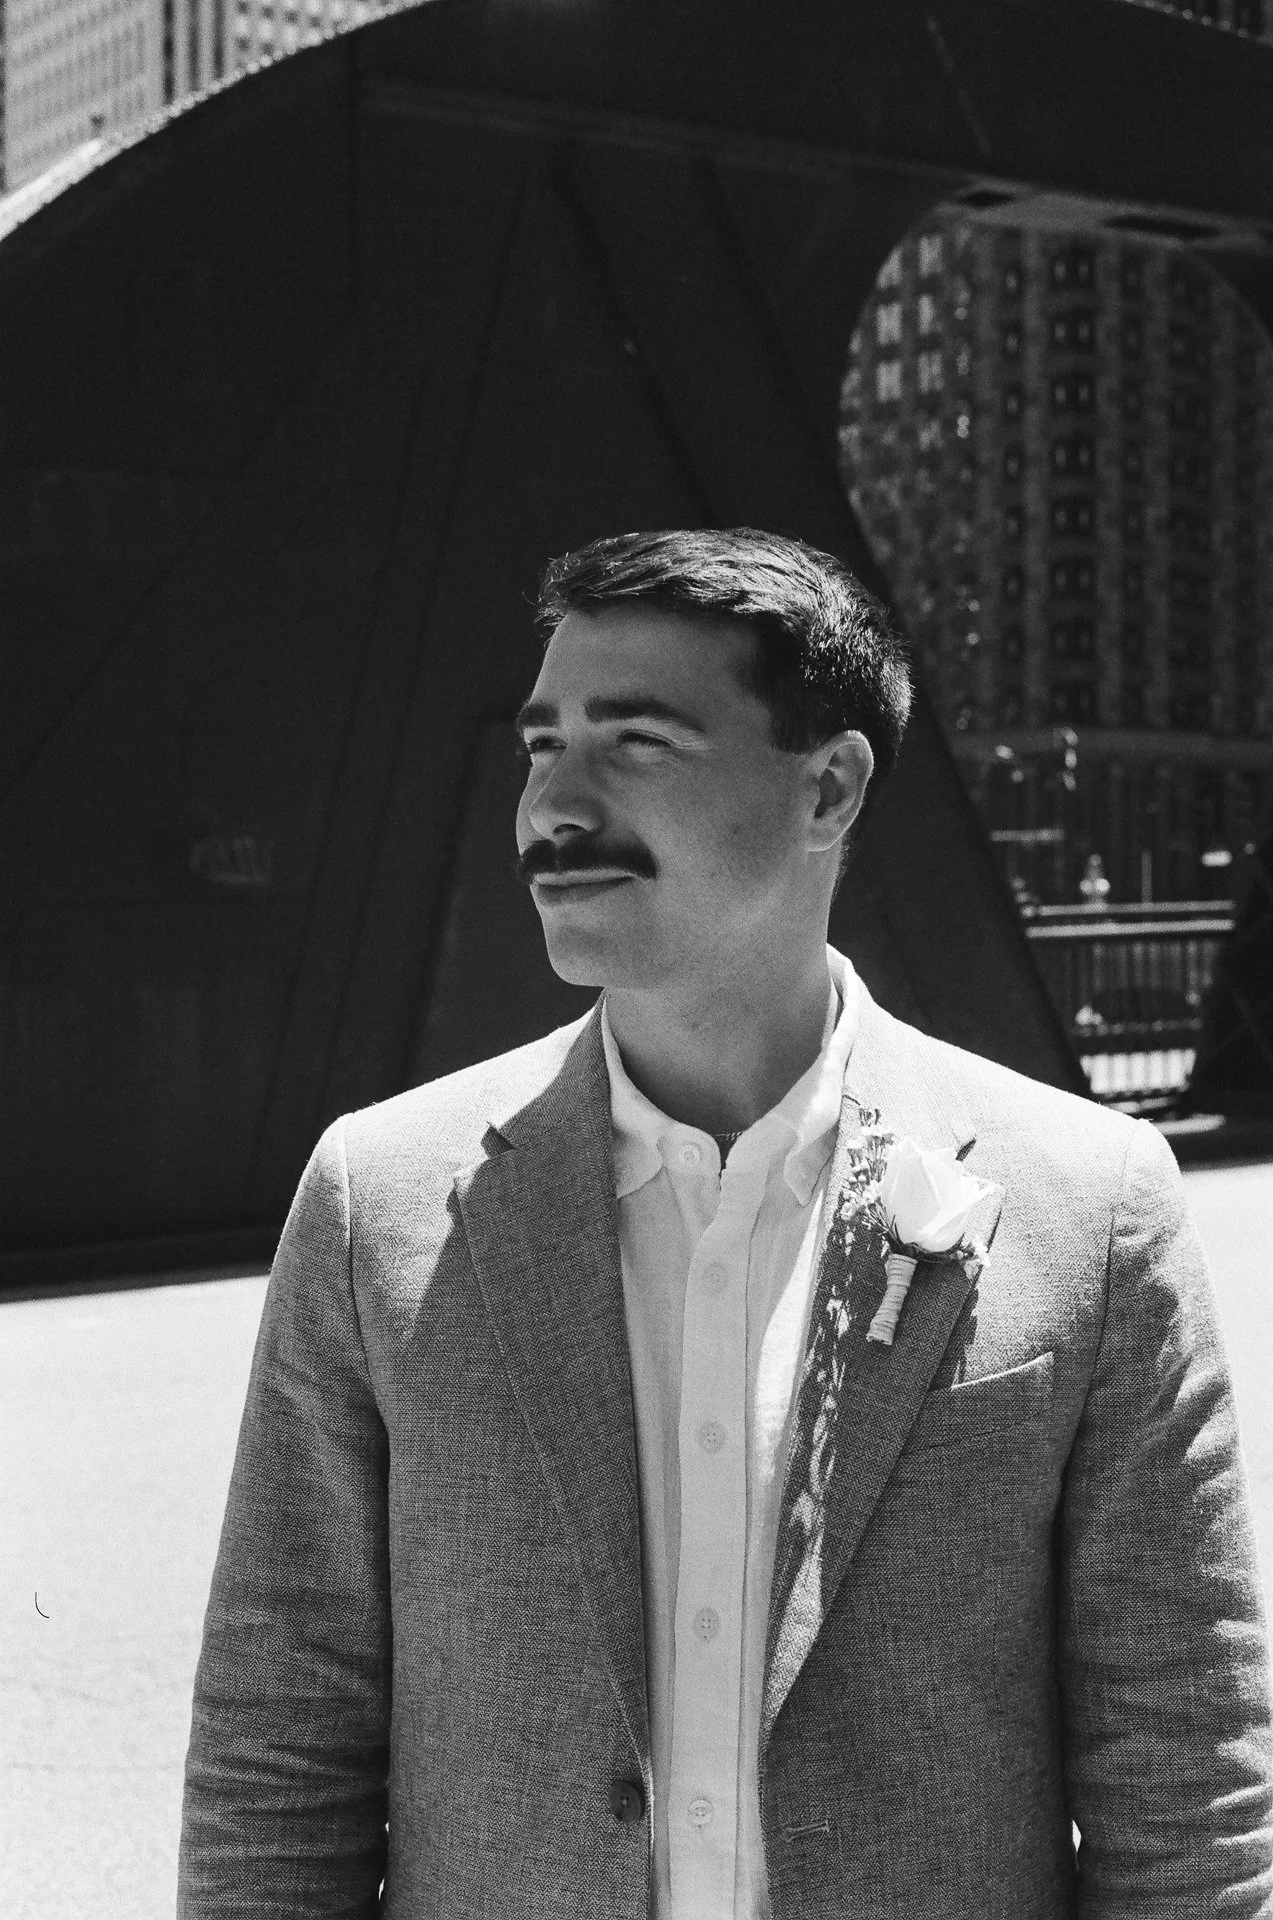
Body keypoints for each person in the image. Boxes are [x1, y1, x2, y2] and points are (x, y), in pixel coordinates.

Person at [178, 527, 1273, 1919]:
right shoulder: (376, 1201)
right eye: (538, 745)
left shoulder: (1096, 1206)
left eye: (637, 741)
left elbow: (1183, 1776)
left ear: (828, 788)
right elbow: (280, 1748)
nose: (553, 807)